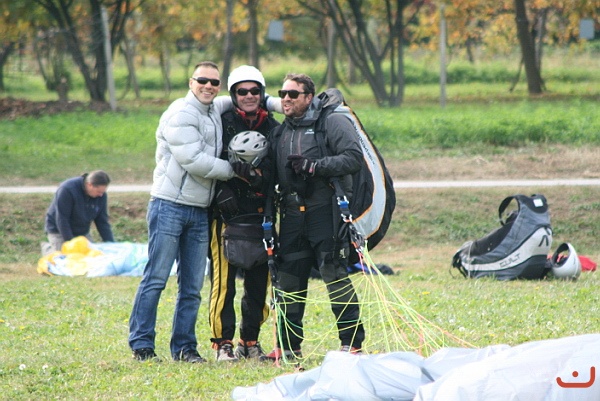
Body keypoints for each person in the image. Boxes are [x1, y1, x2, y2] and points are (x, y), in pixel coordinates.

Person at [128, 61, 237, 363]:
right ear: (191, 82)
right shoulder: (180, 113)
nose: (208, 86)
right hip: (169, 206)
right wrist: (235, 170)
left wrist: (284, 101)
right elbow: (193, 160)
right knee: (156, 278)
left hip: (199, 212)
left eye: (214, 82)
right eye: (202, 80)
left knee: (192, 286)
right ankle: (142, 345)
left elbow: (246, 97)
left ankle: (184, 349)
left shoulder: (213, 108)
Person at [265, 73, 365, 360]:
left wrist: (314, 166)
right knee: (289, 280)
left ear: (308, 97)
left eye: (293, 94)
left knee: (334, 276)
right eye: (283, 93)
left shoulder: (331, 122)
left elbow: (353, 158)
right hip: (292, 214)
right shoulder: (280, 132)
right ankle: (288, 346)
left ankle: (351, 344)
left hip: (326, 211)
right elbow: (272, 179)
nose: (286, 99)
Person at [208, 65, 280, 362]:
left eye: (254, 90)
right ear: (233, 94)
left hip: (261, 214)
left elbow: (279, 168)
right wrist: (221, 188)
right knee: (223, 282)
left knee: (259, 282)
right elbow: (206, 160)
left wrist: (262, 180)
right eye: (242, 91)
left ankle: (249, 340)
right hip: (225, 214)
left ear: (262, 93)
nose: (249, 96)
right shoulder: (220, 123)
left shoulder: (274, 127)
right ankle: (222, 343)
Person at [44, 170, 114, 254]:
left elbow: (102, 222)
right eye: (98, 192)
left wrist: (111, 245)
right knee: (66, 258)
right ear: (89, 185)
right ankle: (48, 250)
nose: (101, 195)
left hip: (82, 232)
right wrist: (72, 244)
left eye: (103, 192)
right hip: (59, 231)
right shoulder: (67, 189)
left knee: (91, 257)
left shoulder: (101, 196)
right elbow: (62, 219)